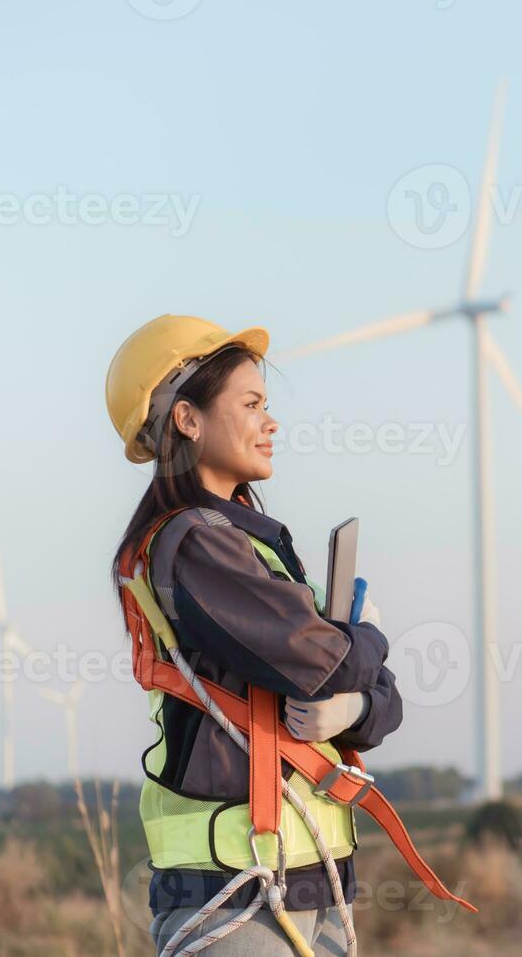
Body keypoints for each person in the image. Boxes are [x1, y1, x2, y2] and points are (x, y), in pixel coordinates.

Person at [106, 315, 401, 955]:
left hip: (310, 888)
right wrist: (369, 639)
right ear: (188, 418)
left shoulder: (253, 550)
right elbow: (326, 662)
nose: (271, 423)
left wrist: (355, 705)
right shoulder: (194, 547)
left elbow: (377, 700)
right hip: (234, 897)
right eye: (252, 403)